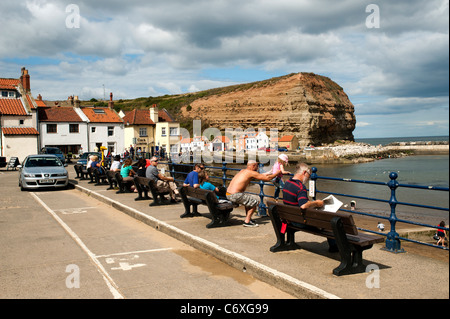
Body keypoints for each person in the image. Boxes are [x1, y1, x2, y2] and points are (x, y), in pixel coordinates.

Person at [282, 163, 337, 251]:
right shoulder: (300, 187)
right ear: (304, 172)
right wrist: (316, 203)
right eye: (309, 175)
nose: (309, 178)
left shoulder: (287, 183)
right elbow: (303, 206)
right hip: (299, 222)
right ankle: (334, 247)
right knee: (330, 222)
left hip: (290, 219)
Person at [226, 160, 280, 227]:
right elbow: (267, 178)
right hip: (235, 195)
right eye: (257, 166)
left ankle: (248, 219)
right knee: (255, 202)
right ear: (253, 166)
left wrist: (271, 172)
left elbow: (260, 175)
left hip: (228, 194)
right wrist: (277, 173)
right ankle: (247, 222)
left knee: (248, 201)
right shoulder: (250, 173)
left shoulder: (243, 171)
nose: (257, 168)